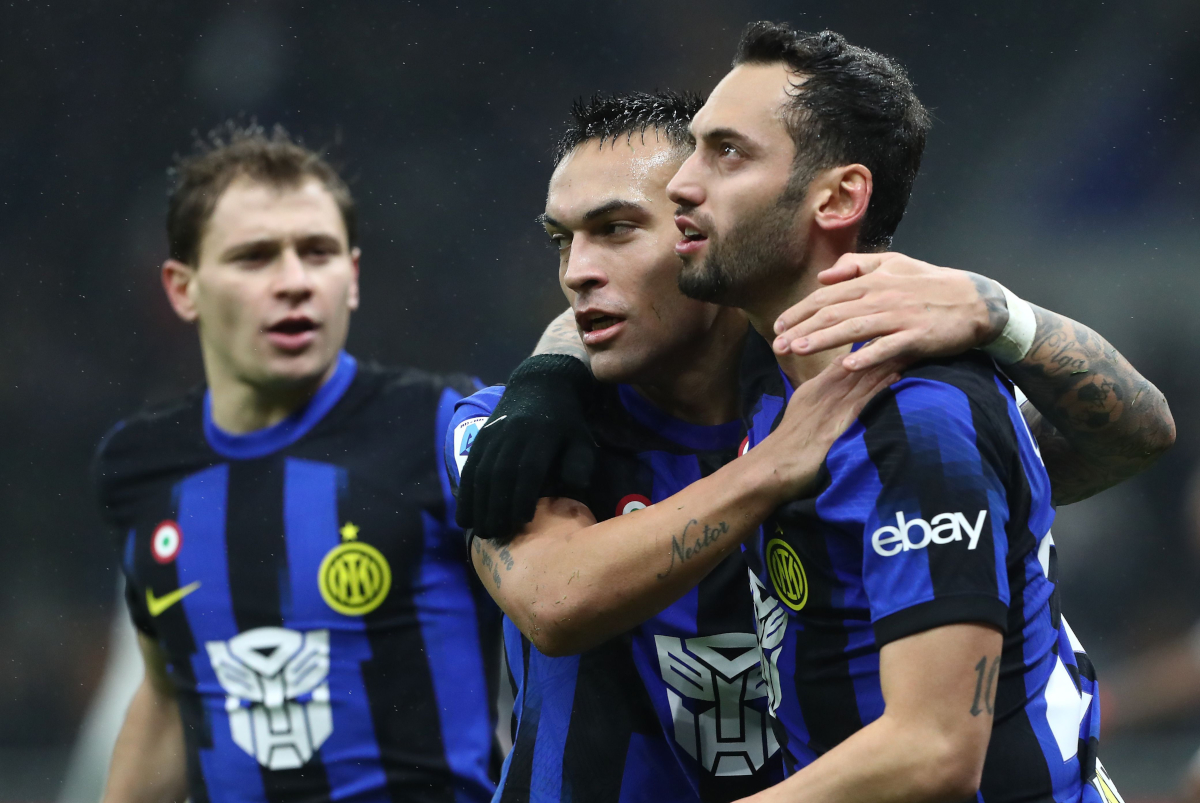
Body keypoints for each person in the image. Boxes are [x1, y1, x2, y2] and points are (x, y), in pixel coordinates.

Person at [450, 66, 1172, 803]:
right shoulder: (507, 428)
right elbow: (552, 602)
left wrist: (1002, 311)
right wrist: (767, 466)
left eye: (617, 229)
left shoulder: (870, 404)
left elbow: (1130, 436)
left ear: (700, 231)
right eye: (561, 240)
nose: (577, 271)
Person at [94, 124, 499, 803]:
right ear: (182, 287)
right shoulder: (138, 467)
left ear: (354, 277)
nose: (294, 282)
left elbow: (560, 620)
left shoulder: (440, 424)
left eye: (317, 252)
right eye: (255, 258)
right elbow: (168, 691)